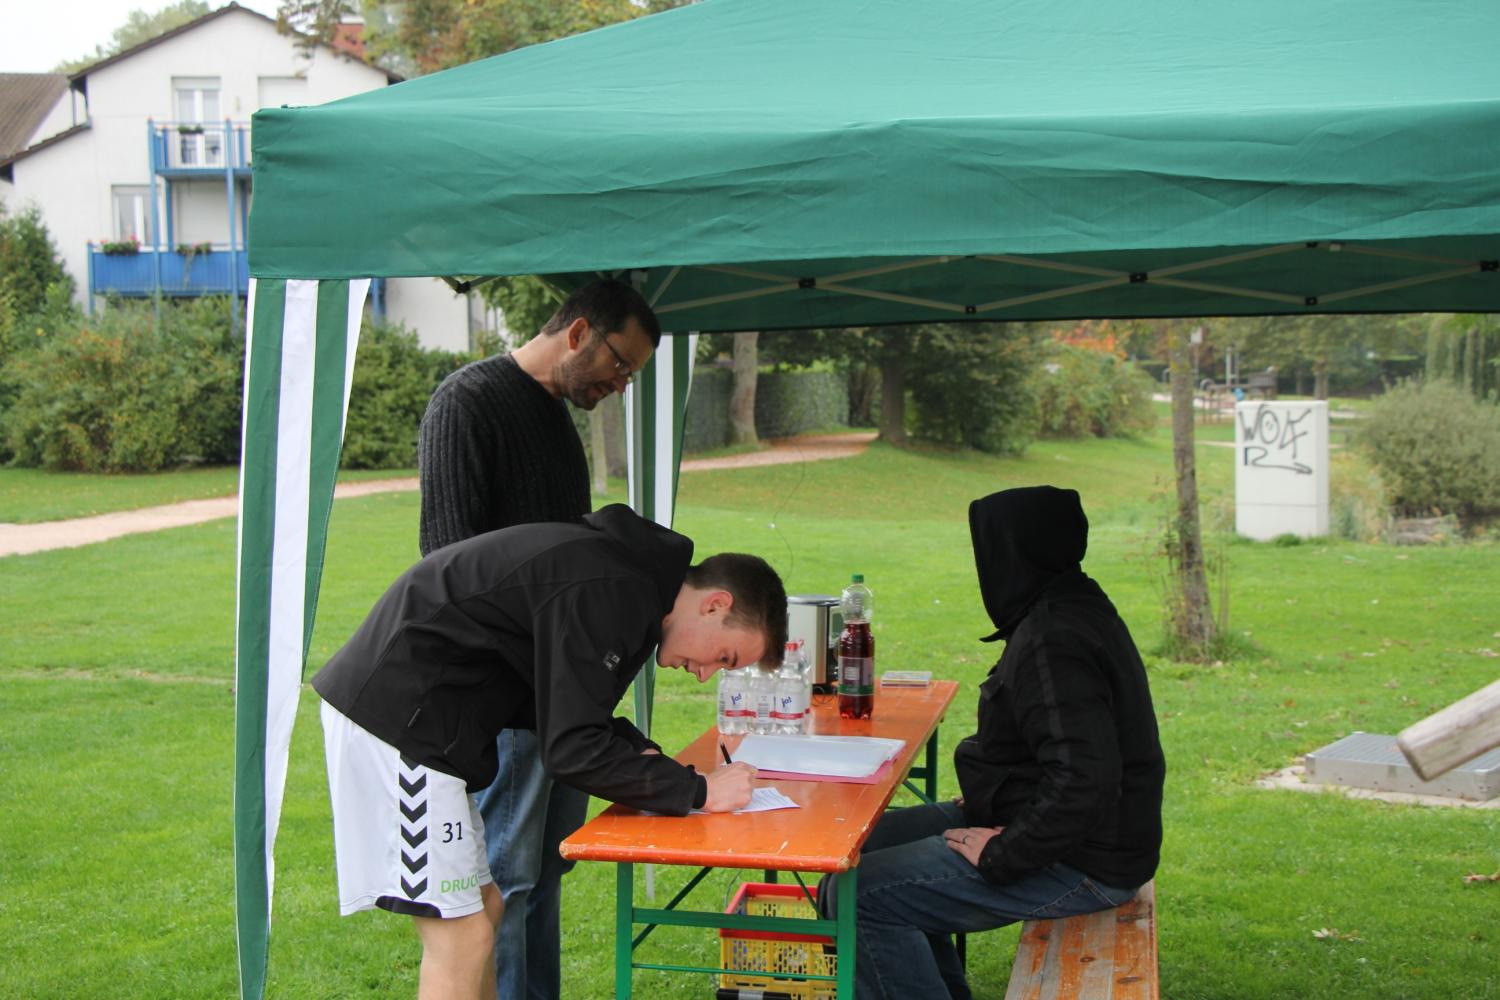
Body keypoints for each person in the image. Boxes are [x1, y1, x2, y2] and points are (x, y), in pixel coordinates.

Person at [313, 503, 787, 1000]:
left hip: (426, 729)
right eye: (725, 657)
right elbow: (571, 750)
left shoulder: (627, 584)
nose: (707, 672)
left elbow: (565, 710)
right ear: (715, 604)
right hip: (397, 723)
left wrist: (639, 753)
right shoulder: (614, 589)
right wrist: (699, 791)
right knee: (463, 934)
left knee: (486, 907)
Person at [818, 486, 1165, 1000]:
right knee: (850, 854)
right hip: (1053, 826)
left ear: (1012, 551)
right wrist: (999, 792)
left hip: (1086, 860)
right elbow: (1066, 750)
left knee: (860, 897)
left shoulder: (1054, 636)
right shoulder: (1066, 603)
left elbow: (1086, 778)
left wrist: (1004, 853)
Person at [417, 277, 660, 999]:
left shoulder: (556, 420)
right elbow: (448, 567)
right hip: (505, 702)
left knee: (545, 873)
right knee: (508, 884)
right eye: (621, 365)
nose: (621, 386)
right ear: (580, 332)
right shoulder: (466, 403)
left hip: (559, 700)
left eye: (633, 376)